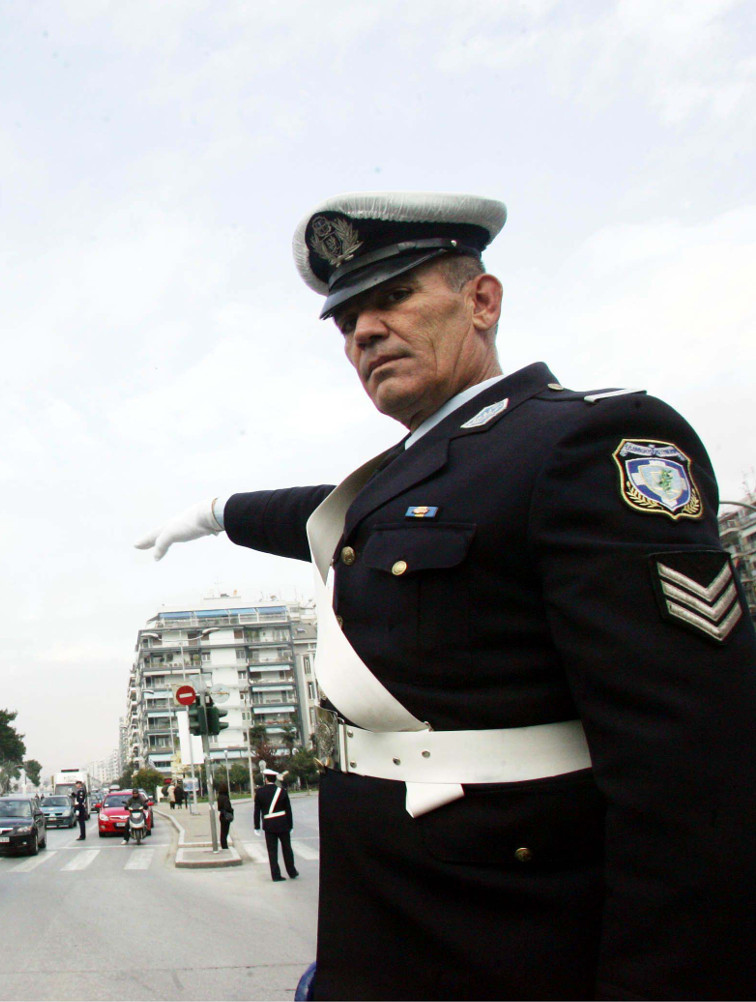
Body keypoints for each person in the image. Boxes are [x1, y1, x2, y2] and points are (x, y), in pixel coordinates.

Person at [136, 191, 756, 999]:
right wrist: (214, 513)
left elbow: (695, 778)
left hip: (510, 937)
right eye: (347, 319)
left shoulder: (586, 441)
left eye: (393, 297)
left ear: (482, 302)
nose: (363, 331)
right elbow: (328, 516)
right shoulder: (417, 475)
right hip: (389, 930)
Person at [254, 770, 298, 882]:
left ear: (266, 779)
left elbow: (257, 811)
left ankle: (276, 875)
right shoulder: (282, 791)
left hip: (269, 825)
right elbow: (288, 810)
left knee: (272, 851)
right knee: (287, 849)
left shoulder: (259, 792)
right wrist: (290, 825)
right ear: (275, 779)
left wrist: (257, 826)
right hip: (283, 823)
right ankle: (291, 871)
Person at [215, 784, 234, 851]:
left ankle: (223, 844)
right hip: (226, 815)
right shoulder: (225, 798)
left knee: (222, 831)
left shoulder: (219, 797)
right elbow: (227, 807)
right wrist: (231, 810)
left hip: (221, 815)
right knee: (225, 831)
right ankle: (224, 845)